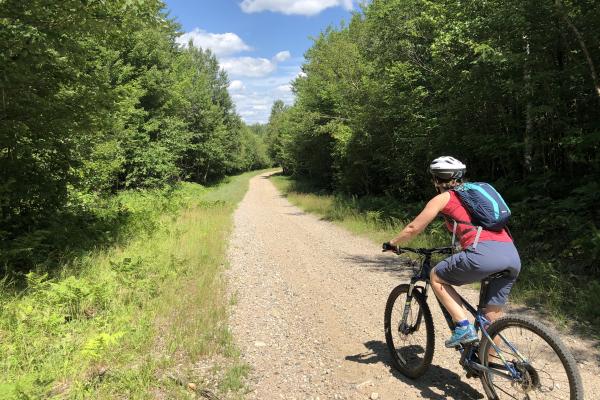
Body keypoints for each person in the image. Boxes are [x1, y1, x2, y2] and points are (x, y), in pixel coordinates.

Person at [383, 156, 521, 347]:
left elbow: (413, 228)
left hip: (484, 255)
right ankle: (488, 367)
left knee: (436, 276)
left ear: (436, 180)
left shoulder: (444, 197)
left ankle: (463, 326)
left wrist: (392, 243)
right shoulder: (476, 194)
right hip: (511, 254)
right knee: (492, 319)